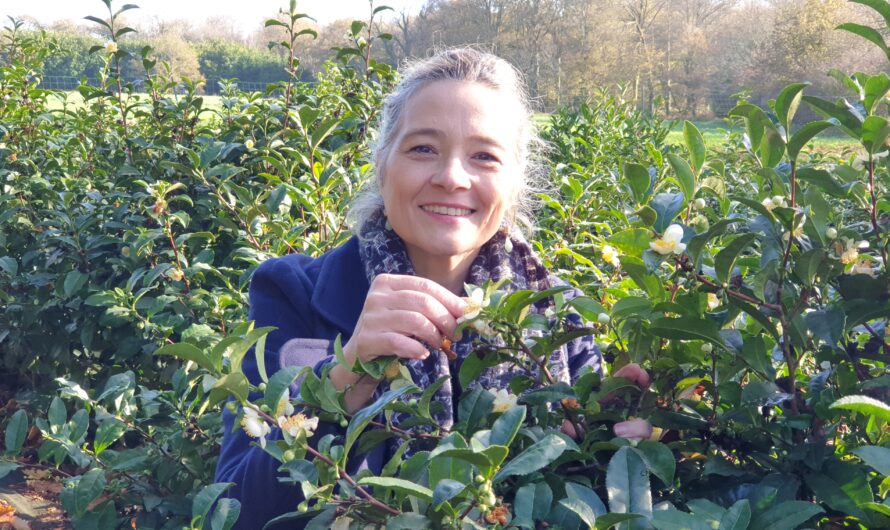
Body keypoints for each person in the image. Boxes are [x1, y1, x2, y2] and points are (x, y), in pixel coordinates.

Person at [214, 47, 646, 529]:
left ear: (514, 183)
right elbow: (232, 514)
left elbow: (577, 495)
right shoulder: (291, 293)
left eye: (484, 156)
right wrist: (343, 377)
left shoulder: (556, 313)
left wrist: (616, 449)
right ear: (382, 164)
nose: (452, 178)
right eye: (423, 149)